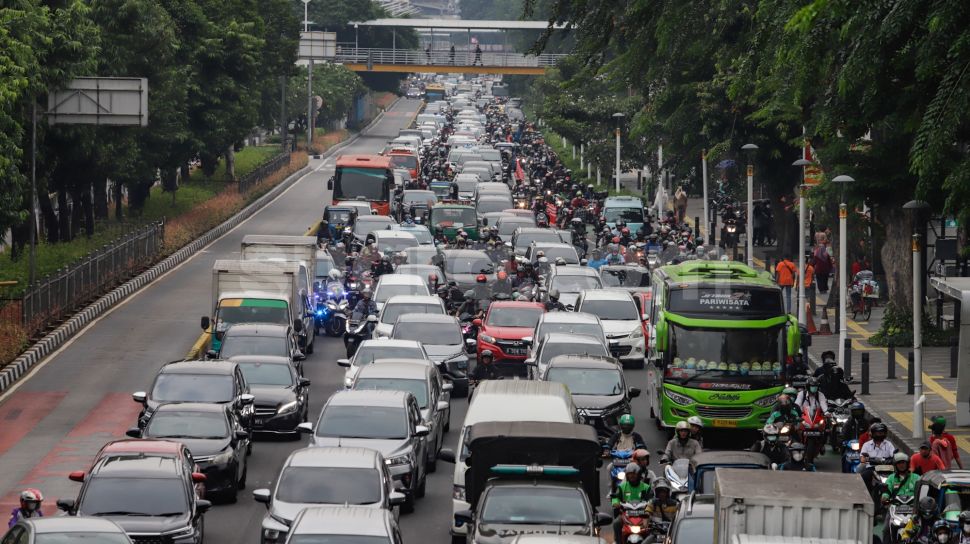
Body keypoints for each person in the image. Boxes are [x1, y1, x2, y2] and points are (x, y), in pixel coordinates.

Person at [612, 464, 652, 544]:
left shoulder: (646, 487)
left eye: (633, 474)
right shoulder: (622, 486)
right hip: (626, 513)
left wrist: (650, 504)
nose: (631, 476)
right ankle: (619, 542)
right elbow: (615, 497)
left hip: (643, 514)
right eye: (629, 474)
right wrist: (616, 503)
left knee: (652, 526)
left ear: (639, 474)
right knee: (616, 523)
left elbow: (651, 498)